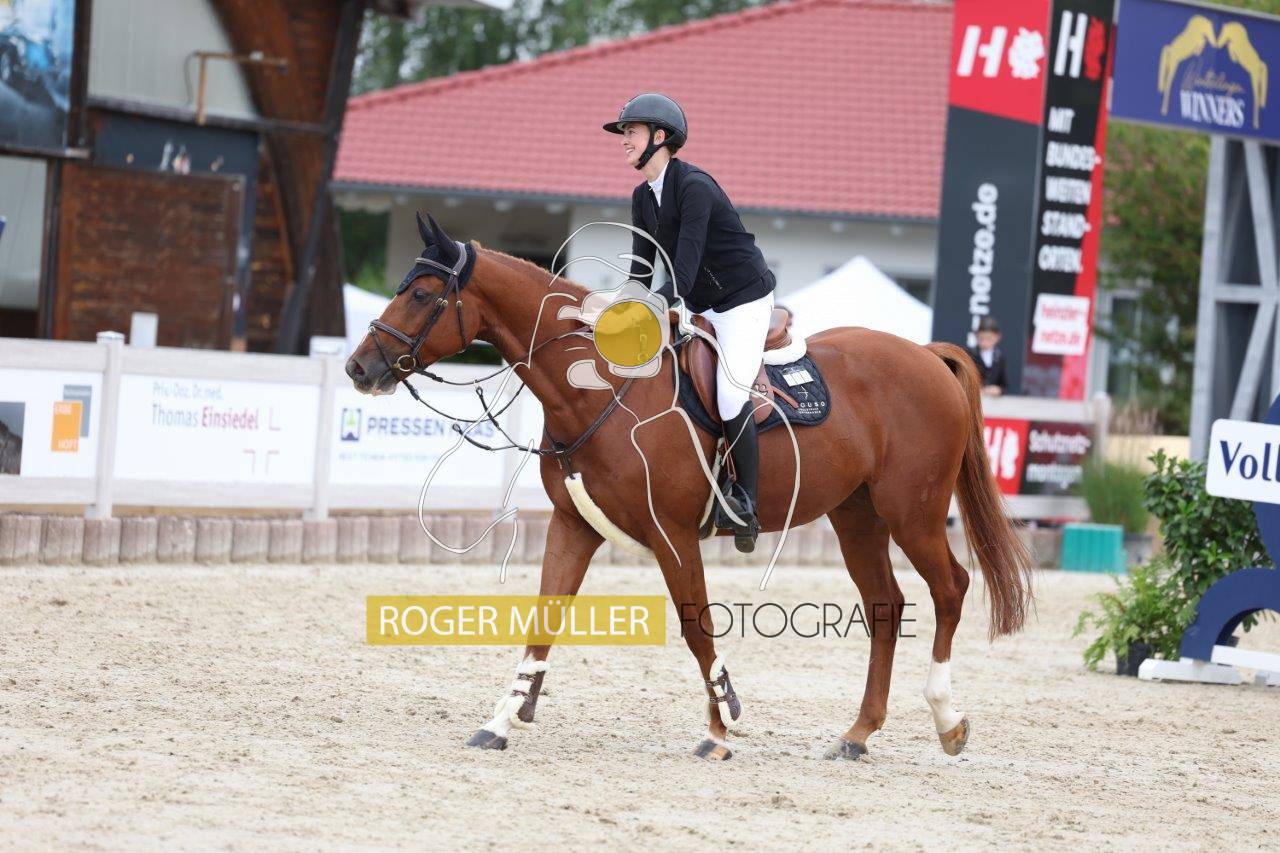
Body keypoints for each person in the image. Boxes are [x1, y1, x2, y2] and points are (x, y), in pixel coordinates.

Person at [604, 93, 776, 552]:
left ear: (659, 137)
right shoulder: (642, 197)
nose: (624, 140)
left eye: (631, 132)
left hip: (742, 302)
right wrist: (608, 311)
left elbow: (682, 272)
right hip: (700, 303)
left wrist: (649, 306)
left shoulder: (694, 187)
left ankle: (746, 503)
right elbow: (641, 274)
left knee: (730, 392)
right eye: (623, 133)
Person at [966, 316, 1008, 396]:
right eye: (981, 338)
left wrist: (998, 390)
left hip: (994, 401)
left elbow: (1004, 385)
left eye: (989, 339)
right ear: (976, 335)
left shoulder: (1000, 357)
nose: (985, 342)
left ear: (998, 337)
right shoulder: (969, 354)